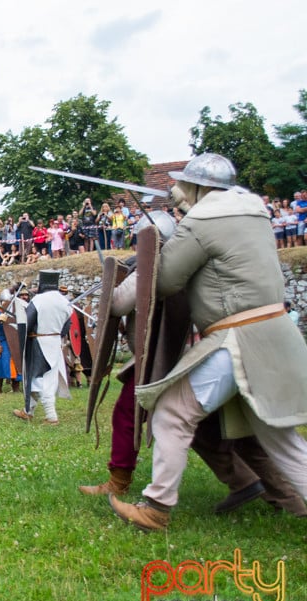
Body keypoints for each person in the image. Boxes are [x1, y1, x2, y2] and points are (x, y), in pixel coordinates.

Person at [110, 153, 307, 531]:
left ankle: (156, 507)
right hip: (277, 333)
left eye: (185, 187)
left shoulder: (203, 220)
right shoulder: (256, 213)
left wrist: (162, 249)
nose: (180, 195)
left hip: (239, 336)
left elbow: (165, 280)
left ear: (200, 188)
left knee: (171, 411)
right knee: (284, 443)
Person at [13, 271, 72, 424]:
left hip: (39, 343)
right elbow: (66, 327)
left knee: (42, 380)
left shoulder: (39, 300)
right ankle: (28, 410)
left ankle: (51, 416)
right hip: (54, 343)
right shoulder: (65, 302)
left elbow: (28, 321)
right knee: (37, 378)